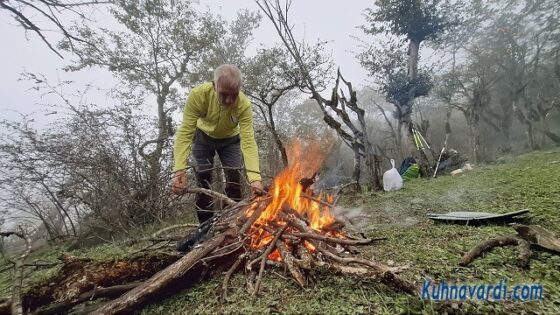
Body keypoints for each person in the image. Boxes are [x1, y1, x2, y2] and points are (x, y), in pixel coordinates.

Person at [172, 64, 263, 227]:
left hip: (230, 141)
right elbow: (185, 133)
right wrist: (179, 169)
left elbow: (249, 141)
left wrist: (255, 179)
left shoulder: (244, 105)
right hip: (202, 139)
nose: (229, 100)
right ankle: (205, 229)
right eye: (223, 94)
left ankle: (233, 223)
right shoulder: (198, 95)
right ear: (214, 86)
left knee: (235, 178)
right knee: (203, 178)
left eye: (234, 95)